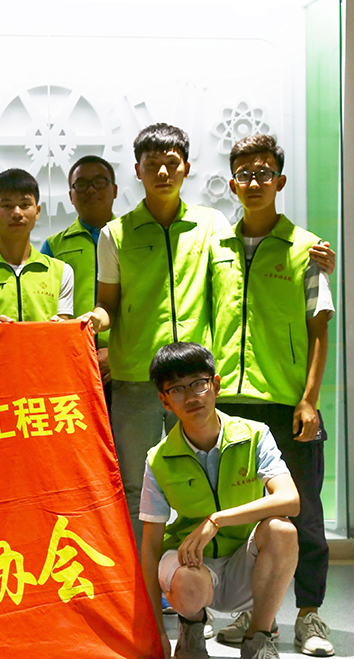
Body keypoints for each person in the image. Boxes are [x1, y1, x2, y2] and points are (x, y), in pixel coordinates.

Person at [81, 123, 335, 548]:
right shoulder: (115, 234)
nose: (163, 172)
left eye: (171, 163)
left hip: (196, 381)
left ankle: (194, 571)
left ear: (186, 167)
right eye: (152, 165)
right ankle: (144, 578)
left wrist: (315, 256)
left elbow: (255, 253)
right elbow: (107, 302)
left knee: (204, 484)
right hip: (136, 379)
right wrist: (95, 320)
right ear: (137, 170)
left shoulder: (212, 226)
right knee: (135, 487)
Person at [209, 135, 335, 656]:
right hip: (231, 406)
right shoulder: (216, 248)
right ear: (233, 183)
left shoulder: (307, 248)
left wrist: (310, 399)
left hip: (287, 405)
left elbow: (319, 328)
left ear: (279, 181)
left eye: (264, 173)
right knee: (243, 514)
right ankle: (252, 611)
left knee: (303, 512)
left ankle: (309, 616)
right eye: (244, 174)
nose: (254, 181)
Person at [141, 342, 299, 659]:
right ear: (164, 400)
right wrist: (155, 629)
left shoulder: (255, 435)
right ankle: (191, 629)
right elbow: (151, 547)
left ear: (215, 384)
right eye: (177, 389)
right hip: (192, 567)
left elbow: (290, 499)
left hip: (246, 564)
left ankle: (258, 637)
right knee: (187, 582)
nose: (191, 397)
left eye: (198, 383)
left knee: (283, 530)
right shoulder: (158, 459)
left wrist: (217, 520)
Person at [43, 155, 117, 405]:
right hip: (72, 363)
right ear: (71, 195)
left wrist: (116, 354)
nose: (91, 190)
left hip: (123, 364)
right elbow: (47, 306)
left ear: (115, 190)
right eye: (82, 184)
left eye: (99, 182)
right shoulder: (54, 246)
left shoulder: (131, 239)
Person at [0, 168, 73, 324]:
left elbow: (63, 331)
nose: (17, 213)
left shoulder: (61, 272)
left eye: (25, 205)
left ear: (37, 212)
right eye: (7, 206)